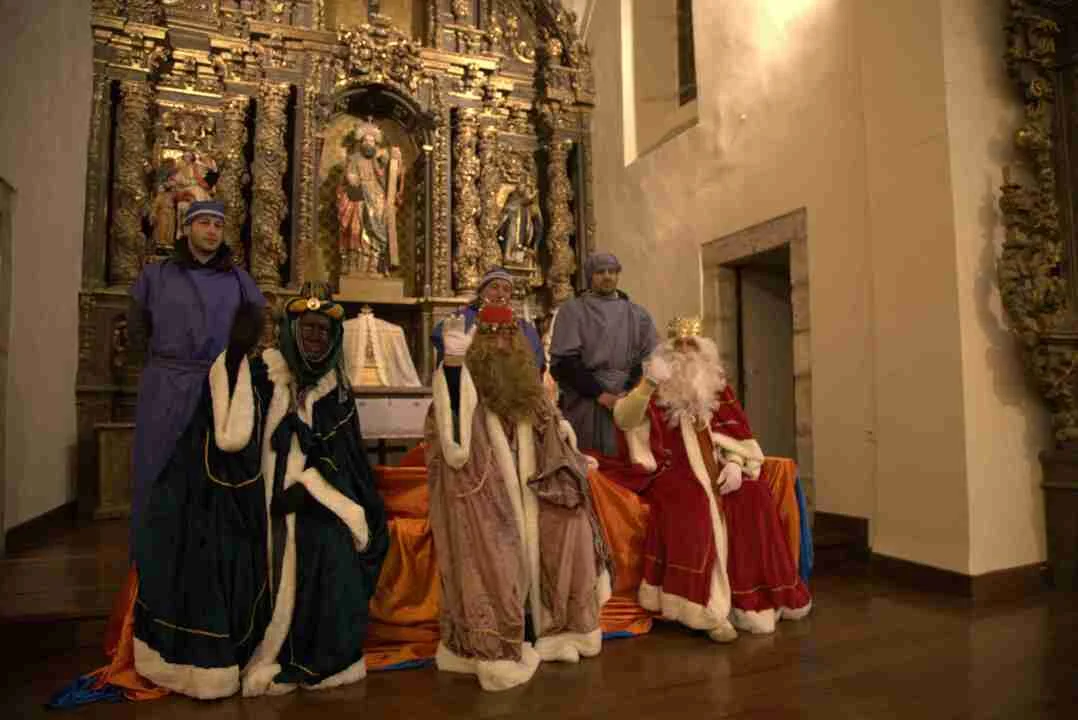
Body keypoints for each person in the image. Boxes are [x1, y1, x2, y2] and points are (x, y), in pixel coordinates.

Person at [133, 282, 389, 698]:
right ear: (292, 329)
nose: (315, 337)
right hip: (254, 495)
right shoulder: (261, 373)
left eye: (324, 331)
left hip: (312, 502)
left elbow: (348, 462)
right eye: (308, 327)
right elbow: (229, 437)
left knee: (330, 548)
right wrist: (234, 354)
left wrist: (310, 489)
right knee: (228, 545)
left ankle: (311, 652)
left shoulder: (337, 392)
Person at [424, 304, 611, 691]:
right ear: (478, 341)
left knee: (568, 531)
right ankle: (495, 648)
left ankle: (560, 632)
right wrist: (454, 369)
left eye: (509, 334)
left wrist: (571, 454)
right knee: (494, 558)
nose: (502, 343)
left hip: (535, 488)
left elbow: (549, 421)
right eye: (492, 335)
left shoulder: (527, 382)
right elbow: (450, 430)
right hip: (483, 494)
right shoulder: (466, 379)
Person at [599, 317, 812, 639]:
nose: (686, 353)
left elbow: (738, 433)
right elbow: (624, 419)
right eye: (679, 346)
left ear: (703, 351)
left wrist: (736, 464)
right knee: (698, 504)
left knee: (753, 495)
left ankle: (746, 600)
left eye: (692, 346)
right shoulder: (653, 384)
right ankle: (704, 608)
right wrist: (648, 384)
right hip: (669, 471)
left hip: (718, 466)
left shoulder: (717, 385)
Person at [127, 200, 264, 557]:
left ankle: (208, 561)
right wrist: (155, 368)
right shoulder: (156, 276)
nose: (212, 231)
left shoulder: (239, 281)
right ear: (186, 227)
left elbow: (254, 325)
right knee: (158, 467)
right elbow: (137, 327)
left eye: (218, 225)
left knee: (212, 472)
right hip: (165, 386)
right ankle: (152, 557)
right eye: (204, 223)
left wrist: (229, 366)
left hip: (217, 386)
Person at [549, 252, 658, 456]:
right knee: (590, 462)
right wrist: (599, 394)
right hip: (586, 402)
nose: (607, 276)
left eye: (612, 271)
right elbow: (564, 363)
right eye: (600, 272)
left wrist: (629, 392)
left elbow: (646, 360)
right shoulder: (572, 311)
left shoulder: (638, 315)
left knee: (628, 461)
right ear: (590, 275)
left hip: (627, 402)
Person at [431, 266, 545, 372]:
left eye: (506, 290)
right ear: (481, 292)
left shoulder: (522, 326)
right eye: (494, 287)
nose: (500, 294)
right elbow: (440, 338)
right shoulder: (462, 318)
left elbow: (535, 359)